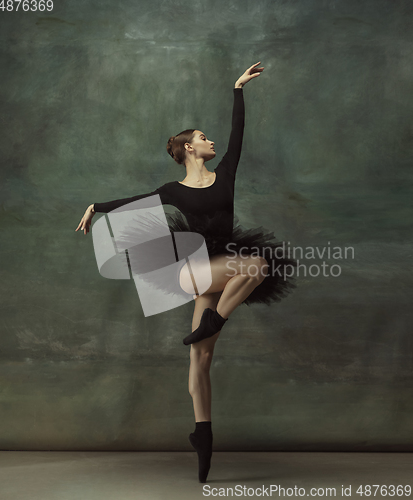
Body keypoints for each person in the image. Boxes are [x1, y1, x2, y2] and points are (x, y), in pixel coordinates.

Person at [75, 62, 297, 483]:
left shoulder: (225, 173)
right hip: (192, 267)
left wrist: (238, 90)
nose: (211, 140)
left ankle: (203, 434)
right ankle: (215, 318)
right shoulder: (172, 191)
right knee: (256, 266)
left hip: (222, 267)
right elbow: (133, 202)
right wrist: (95, 207)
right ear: (189, 150)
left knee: (201, 355)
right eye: (202, 137)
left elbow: (238, 134)